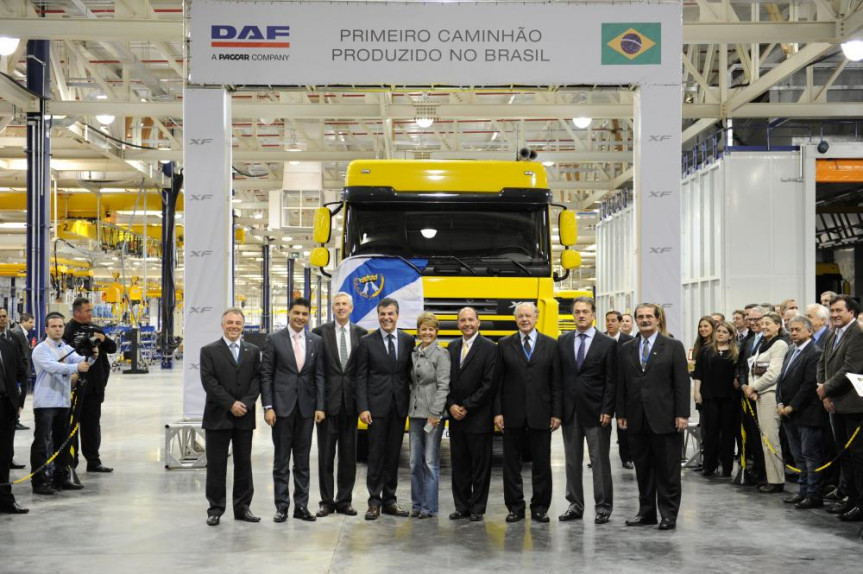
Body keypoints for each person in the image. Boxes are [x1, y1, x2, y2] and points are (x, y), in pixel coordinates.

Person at [617, 303, 689, 531]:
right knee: (643, 469)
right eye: (640, 316)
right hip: (636, 419)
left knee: (668, 471)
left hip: (665, 418)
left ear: (658, 319)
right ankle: (646, 513)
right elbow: (622, 384)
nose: (645, 320)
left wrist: (682, 414)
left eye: (649, 316)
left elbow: (681, 383)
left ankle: (668, 514)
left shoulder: (673, 346)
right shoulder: (626, 348)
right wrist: (621, 413)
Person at [494, 302, 562, 523]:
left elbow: (556, 383)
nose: (524, 319)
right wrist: (498, 412)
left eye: (528, 316)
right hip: (511, 414)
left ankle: (540, 508)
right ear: (515, 319)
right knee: (511, 465)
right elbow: (498, 382)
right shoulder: (504, 344)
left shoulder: (551, 345)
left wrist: (557, 413)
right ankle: (515, 507)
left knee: (541, 465)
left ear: (536, 317)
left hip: (541, 413)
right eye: (520, 316)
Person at [260, 297, 325, 523]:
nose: (300, 317)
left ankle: (301, 506)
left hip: (306, 409)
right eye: (296, 313)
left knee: (302, 461)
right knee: (281, 461)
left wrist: (320, 406)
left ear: (309, 316)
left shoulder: (316, 341)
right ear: (289, 313)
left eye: (304, 314)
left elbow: (319, 375)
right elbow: (266, 375)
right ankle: (282, 506)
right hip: (281, 409)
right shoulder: (274, 339)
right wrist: (268, 406)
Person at [200, 308, 261, 526]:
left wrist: (245, 403)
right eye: (230, 322)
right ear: (222, 324)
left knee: (244, 464)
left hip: (244, 415)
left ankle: (243, 508)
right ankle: (215, 509)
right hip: (218, 416)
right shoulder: (209, 351)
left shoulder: (253, 351)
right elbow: (209, 382)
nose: (233, 326)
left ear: (243, 326)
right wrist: (230, 404)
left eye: (237, 323)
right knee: (216, 465)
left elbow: (257, 380)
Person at [558, 297, 617, 524]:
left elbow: (612, 380)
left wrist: (608, 409)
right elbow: (559, 379)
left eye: (585, 311)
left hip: (597, 412)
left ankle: (603, 507)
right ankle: (575, 505)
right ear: (573, 315)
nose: (581, 315)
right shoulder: (563, 341)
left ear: (593, 315)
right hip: (570, 412)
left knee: (599, 462)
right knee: (572, 462)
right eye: (577, 312)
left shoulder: (607, 343)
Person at [355, 297, 415, 520]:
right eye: (382, 314)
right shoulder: (366, 342)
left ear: (397, 315)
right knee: (375, 455)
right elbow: (360, 376)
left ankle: (390, 500)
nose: (386, 318)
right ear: (378, 315)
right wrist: (363, 407)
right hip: (376, 409)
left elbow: (411, 374)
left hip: (399, 407)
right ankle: (374, 502)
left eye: (390, 314)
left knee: (393, 455)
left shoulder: (408, 340)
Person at [311, 292, 366, 518]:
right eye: (337, 304)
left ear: (351, 308)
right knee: (325, 455)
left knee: (348, 456)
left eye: (345, 304)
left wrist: (362, 405)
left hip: (350, 405)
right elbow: (316, 372)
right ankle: (326, 501)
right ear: (332, 308)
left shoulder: (362, 334)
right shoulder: (319, 333)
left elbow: (362, 372)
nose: (341, 307)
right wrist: (319, 405)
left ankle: (344, 501)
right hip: (326, 406)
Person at [30, 313, 95, 494]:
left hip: (63, 401)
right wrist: (76, 368)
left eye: (60, 326)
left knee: (62, 442)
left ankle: (60, 478)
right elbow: (53, 367)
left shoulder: (65, 348)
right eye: (54, 326)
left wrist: (92, 355)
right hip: (46, 403)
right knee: (42, 443)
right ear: (46, 329)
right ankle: (39, 481)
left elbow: (81, 361)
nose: (57, 329)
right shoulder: (41, 349)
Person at [816, 295, 863, 532]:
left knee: (857, 457)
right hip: (834, 403)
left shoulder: (857, 335)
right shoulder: (832, 333)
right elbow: (822, 363)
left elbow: (851, 368)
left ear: (851, 313)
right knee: (844, 455)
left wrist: (826, 389)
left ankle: (860, 504)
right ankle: (851, 500)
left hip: (853, 406)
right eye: (832, 310)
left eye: (839, 311)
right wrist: (824, 392)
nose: (834, 314)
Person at [446, 307, 498, 522]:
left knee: (480, 466)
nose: (467, 324)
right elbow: (445, 380)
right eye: (462, 320)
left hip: (478, 417)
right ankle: (461, 507)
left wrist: (466, 406)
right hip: (456, 417)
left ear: (478, 322)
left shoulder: (490, 348)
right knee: (459, 465)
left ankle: (477, 507)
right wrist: (451, 405)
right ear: (458, 323)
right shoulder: (452, 347)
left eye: (470, 320)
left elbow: (489, 384)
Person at [63, 297, 118, 473]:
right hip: (74, 388)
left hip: (94, 388)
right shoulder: (67, 330)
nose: (91, 314)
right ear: (77, 312)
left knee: (92, 426)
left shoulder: (95, 329)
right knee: (71, 426)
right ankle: (71, 463)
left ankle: (93, 461)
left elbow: (112, 348)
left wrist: (103, 338)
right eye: (87, 311)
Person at [776, 315, 825, 509]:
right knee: (798, 457)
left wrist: (792, 406)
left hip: (807, 413)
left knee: (810, 456)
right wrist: (780, 402)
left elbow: (809, 384)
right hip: (789, 413)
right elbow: (781, 379)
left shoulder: (815, 353)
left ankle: (814, 494)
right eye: (791, 330)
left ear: (809, 331)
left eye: (797, 329)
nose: (793, 333)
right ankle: (803, 491)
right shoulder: (790, 350)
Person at [408, 312, 450, 519]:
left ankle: (429, 507)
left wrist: (436, 413)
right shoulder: (414, 353)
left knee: (430, 462)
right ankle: (416, 505)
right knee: (414, 462)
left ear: (436, 332)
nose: (427, 333)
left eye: (431, 329)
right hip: (415, 414)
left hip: (432, 416)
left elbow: (444, 386)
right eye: (423, 329)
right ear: (418, 331)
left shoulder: (441, 354)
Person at [745, 312, 789, 493]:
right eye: (762, 323)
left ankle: (776, 480)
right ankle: (770, 477)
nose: (763, 326)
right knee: (765, 439)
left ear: (778, 325)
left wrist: (754, 387)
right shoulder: (763, 344)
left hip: (770, 394)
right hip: (759, 394)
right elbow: (752, 368)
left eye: (768, 323)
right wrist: (752, 388)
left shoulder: (780, 344)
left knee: (771, 438)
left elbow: (774, 373)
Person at [692, 321, 739, 477]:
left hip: (729, 397)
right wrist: (696, 392)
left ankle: (727, 467)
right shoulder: (706, 351)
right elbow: (698, 373)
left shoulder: (735, 353)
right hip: (709, 396)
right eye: (718, 331)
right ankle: (709, 466)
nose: (720, 334)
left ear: (731, 335)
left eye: (724, 332)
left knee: (728, 432)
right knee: (710, 432)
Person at [0, 319, 28, 514]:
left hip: (6, 406)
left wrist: (19, 401)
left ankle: (5, 500)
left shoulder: (9, 344)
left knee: (4, 455)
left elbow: (21, 371)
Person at [737, 305, 767, 486]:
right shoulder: (749, 341)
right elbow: (742, 366)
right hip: (747, 394)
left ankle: (765, 472)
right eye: (751, 319)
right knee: (751, 435)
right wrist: (743, 385)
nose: (754, 323)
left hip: (762, 394)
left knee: (763, 436)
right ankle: (756, 468)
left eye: (758, 320)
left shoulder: (771, 340)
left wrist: (754, 388)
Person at [0, 309, 30, 467]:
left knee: (9, 432)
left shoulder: (14, 337)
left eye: (4, 316)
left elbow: (21, 367)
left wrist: (21, 399)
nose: (2, 319)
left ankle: (8, 459)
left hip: (9, 397)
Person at [605, 310, 634, 469]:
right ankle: (599, 456)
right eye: (607, 320)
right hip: (604, 389)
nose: (610, 323)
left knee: (623, 425)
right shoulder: (599, 339)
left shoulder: (629, 341)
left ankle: (627, 458)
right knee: (602, 425)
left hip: (623, 388)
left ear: (620, 323)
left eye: (613, 320)